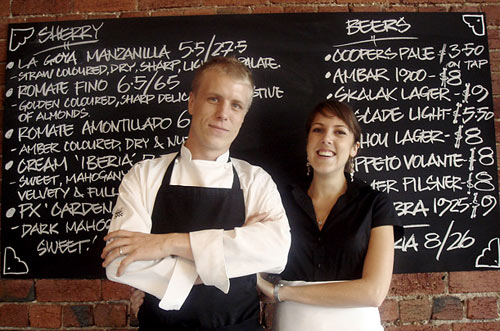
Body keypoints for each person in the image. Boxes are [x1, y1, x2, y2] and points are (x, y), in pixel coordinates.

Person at [101, 56, 291, 330]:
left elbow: (275, 254)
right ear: (192, 102)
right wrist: (233, 260)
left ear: (243, 116)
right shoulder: (144, 175)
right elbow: (120, 261)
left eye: (236, 105)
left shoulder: (256, 181)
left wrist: (167, 244)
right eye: (214, 99)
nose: (223, 113)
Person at [256, 100, 404, 330]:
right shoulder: (278, 200)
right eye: (318, 129)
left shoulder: (376, 203)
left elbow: (373, 292)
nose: (326, 138)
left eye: (340, 132)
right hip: (293, 325)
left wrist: (281, 292)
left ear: (354, 148)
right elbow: (253, 258)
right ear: (308, 142)